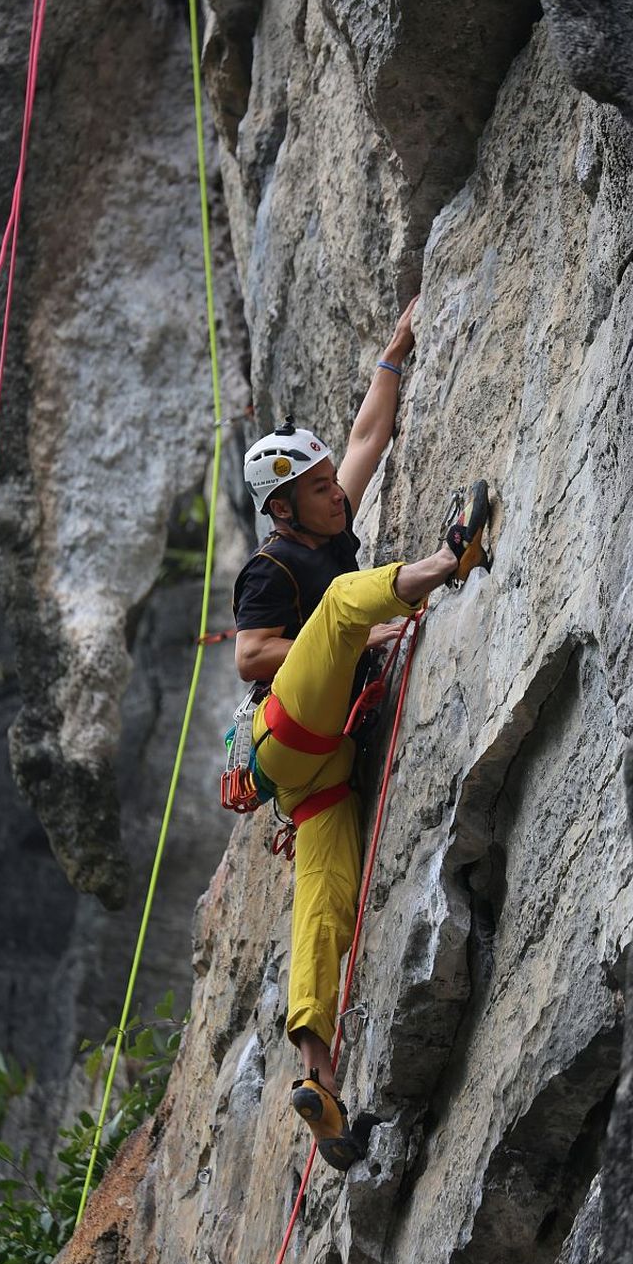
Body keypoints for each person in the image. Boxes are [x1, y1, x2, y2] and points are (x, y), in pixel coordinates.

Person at [232, 300, 489, 1169]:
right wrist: (371, 629)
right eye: (313, 490)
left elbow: (367, 441)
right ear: (280, 509)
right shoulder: (272, 568)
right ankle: (452, 561)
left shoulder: (328, 523)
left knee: (324, 902)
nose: (334, 493)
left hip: (321, 770)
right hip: (288, 731)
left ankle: (321, 1085)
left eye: (325, 481)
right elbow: (251, 657)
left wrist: (395, 351)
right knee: (347, 603)